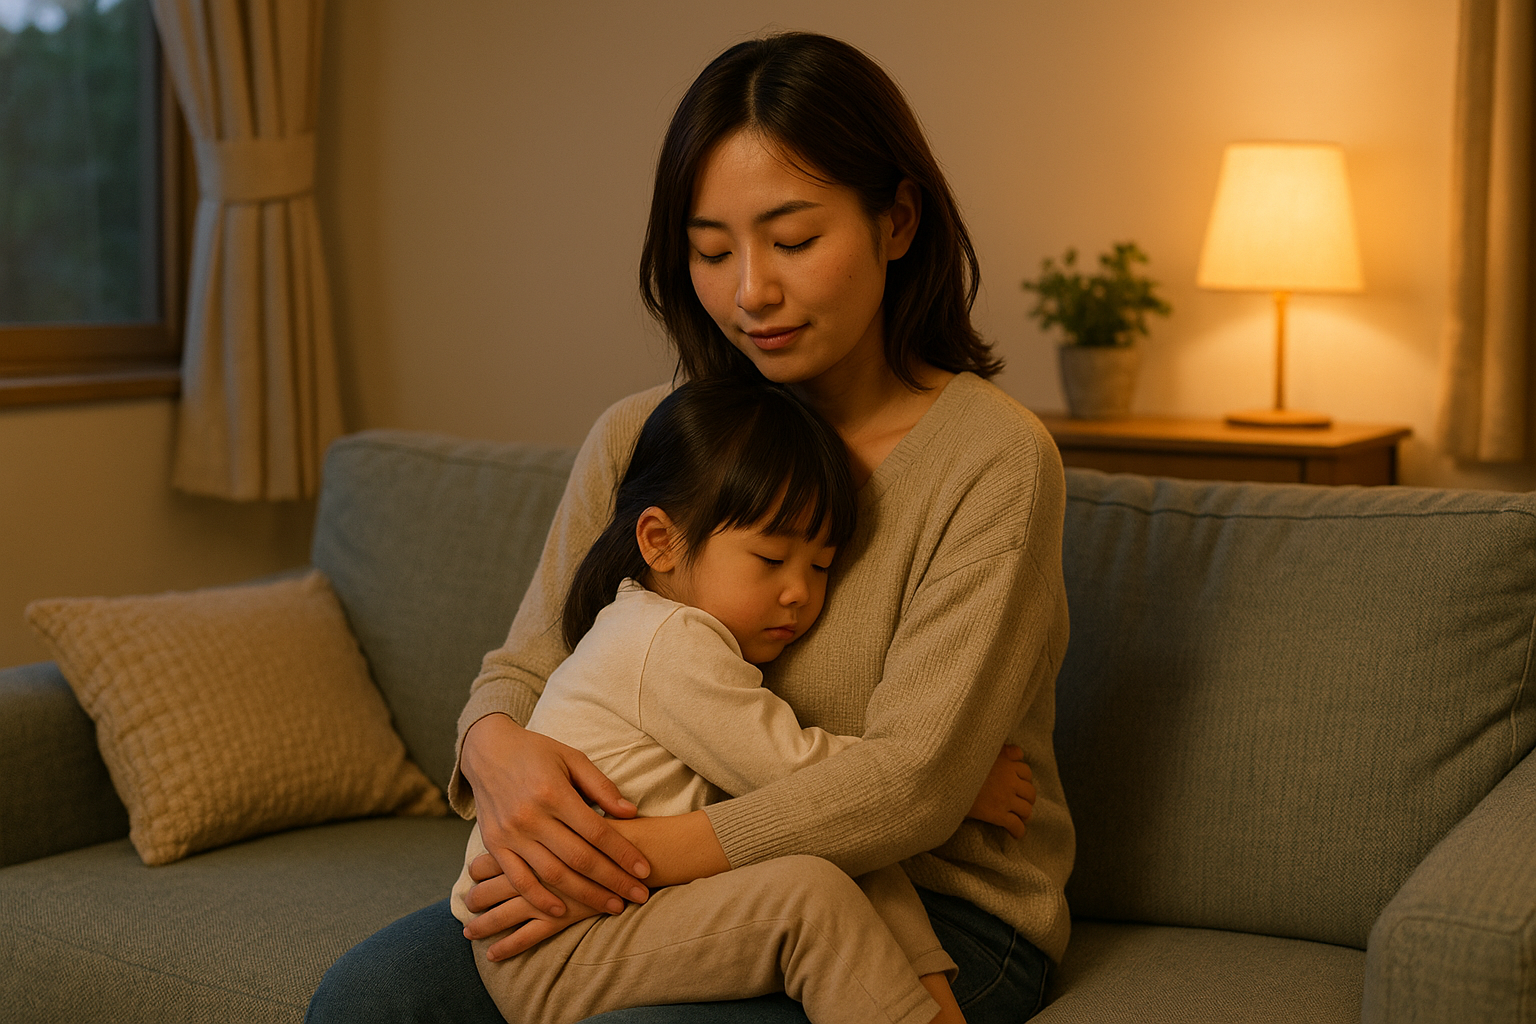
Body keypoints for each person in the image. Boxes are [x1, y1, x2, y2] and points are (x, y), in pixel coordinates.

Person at [307, 30, 1072, 1024]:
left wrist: (635, 856)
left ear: (897, 219)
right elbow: (528, 663)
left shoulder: (991, 458)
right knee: (367, 1001)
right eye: (712, 251)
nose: (749, 291)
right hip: (655, 880)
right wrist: (495, 755)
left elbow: (915, 787)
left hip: (931, 905)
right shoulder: (640, 438)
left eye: (792, 241)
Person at [448, 377, 1032, 1024]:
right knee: (811, 889)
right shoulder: (664, 644)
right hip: (552, 937)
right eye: (771, 558)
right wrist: (957, 781)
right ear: (659, 542)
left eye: (819, 566)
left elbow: (838, 813)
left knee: (845, 838)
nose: (799, 594)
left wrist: (929, 786)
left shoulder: (997, 456)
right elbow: (796, 770)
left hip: (611, 910)